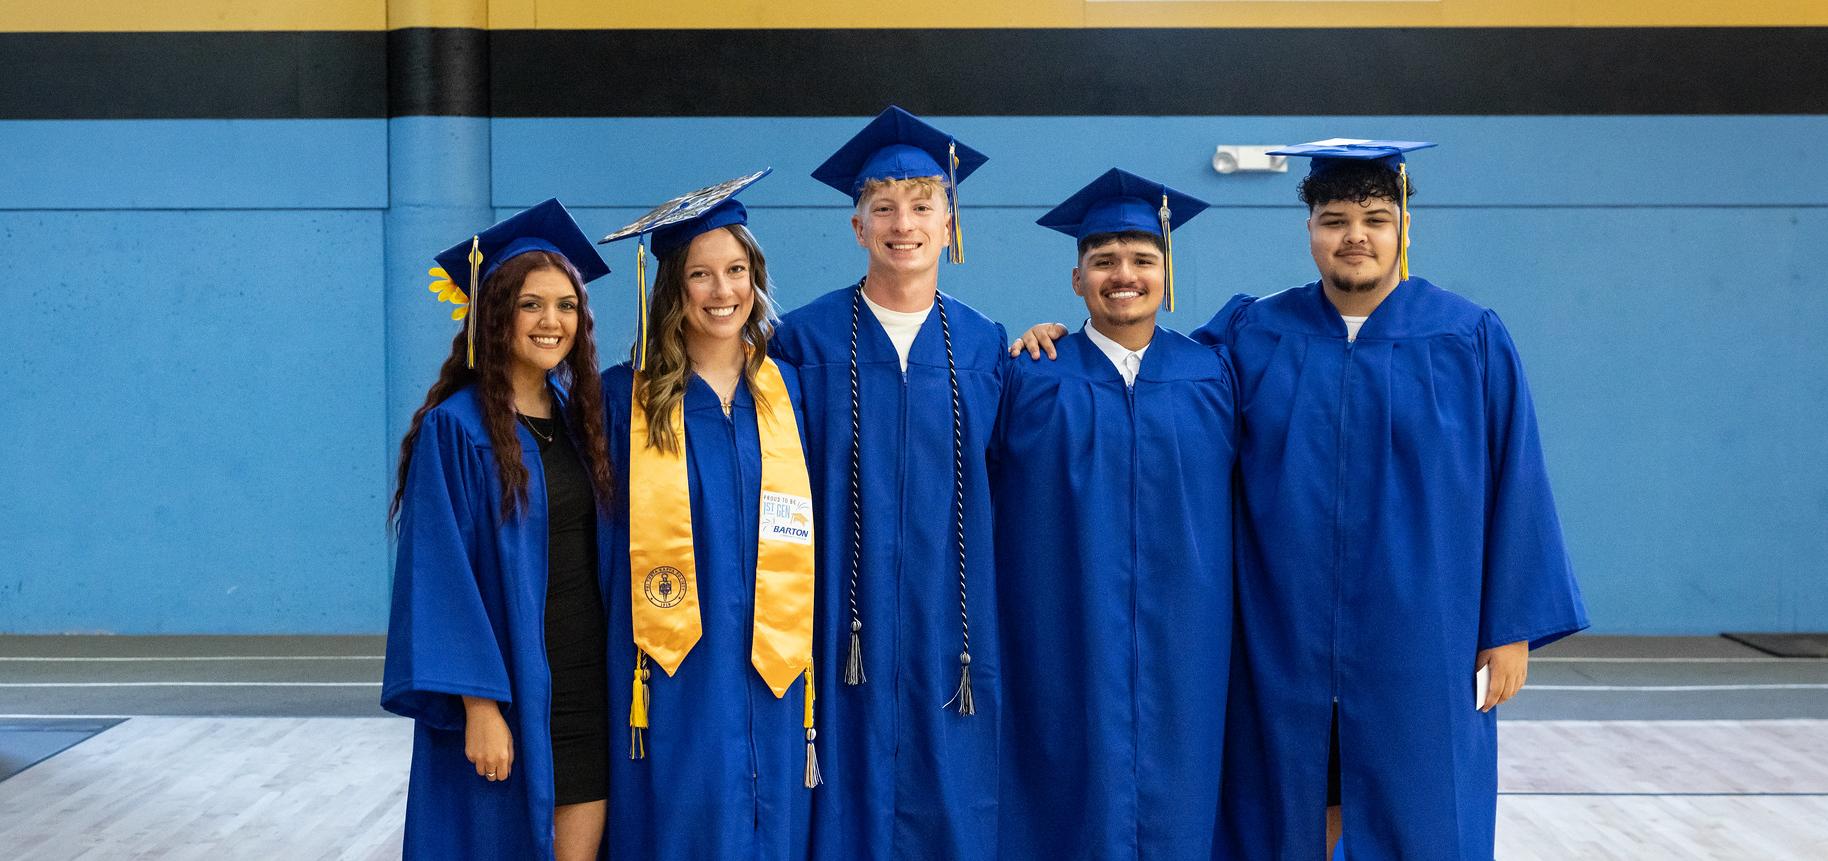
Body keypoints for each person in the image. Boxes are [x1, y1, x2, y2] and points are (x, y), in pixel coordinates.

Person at [1013, 140, 1588, 859]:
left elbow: (1519, 479)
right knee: (1285, 804)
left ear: (1404, 225)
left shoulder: (1467, 336)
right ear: (1309, 230)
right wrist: (1056, 337)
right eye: (1334, 217)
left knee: (1422, 802)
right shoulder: (1256, 334)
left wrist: (1510, 628)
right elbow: (1149, 366)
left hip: (1422, 634)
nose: (1355, 235)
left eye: (1375, 217)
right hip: (1283, 637)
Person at [769, 105, 1010, 859]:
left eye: (921, 204)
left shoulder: (986, 341)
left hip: (954, 622)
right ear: (858, 228)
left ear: (949, 222)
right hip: (841, 622)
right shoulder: (801, 340)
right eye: (883, 207)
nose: (902, 222)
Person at [992, 169, 1238, 859]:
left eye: (1141, 261)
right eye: (1102, 261)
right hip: (1062, 635)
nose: (1122, 275)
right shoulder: (1029, 376)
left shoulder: (1214, 375)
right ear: (1077, 282)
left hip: (1190, 641)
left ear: (1166, 273)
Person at [381, 199, 615, 861]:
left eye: (566, 305)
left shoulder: (580, 418)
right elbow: (439, 571)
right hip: (507, 684)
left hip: (583, 680)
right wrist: (479, 704)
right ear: (495, 314)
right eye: (532, 304)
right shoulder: (456, 428)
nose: (552, 321)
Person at [597, 172, 818, 860]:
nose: (723, 292)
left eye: (737, 270)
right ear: (672, 288)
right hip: (666, 670)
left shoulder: (792, 393)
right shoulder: (621, 400)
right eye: (701, 274)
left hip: (775, 664)